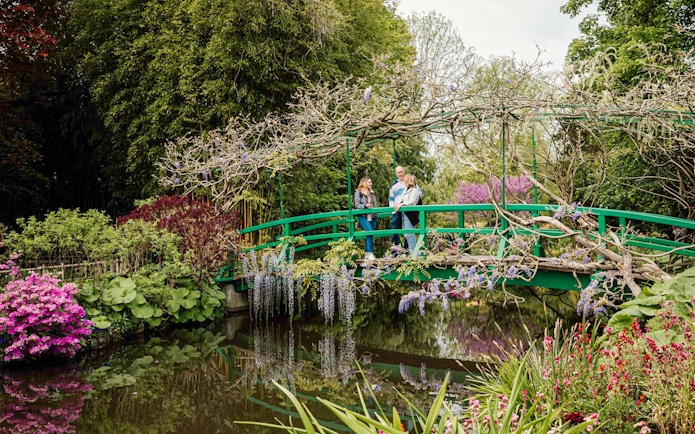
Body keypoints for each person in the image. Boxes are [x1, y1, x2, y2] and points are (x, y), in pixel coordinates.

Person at [394, 174, 422, 256]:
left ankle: (414, 253)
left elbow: (412, 201)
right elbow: (401, 198)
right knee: (406, 233)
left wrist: (403, 204)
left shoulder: (414, 190)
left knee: (410, 233)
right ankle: (412, 252)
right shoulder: (406, 189)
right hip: (404, 213)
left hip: (410, 214)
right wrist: (398, 204)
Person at [353, 176, 378, 260]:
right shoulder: (358, 193)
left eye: (371, 182)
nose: (371, 184)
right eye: (369, 182)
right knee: (370, 232)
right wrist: (364, 206)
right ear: (364, 183)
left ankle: (368, 253)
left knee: (369, 234)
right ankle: (370, 253)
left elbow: (375, 205)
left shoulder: (372, 193)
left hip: (373, 216)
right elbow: (356, 205)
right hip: (363, 216)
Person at [388, 166, 408, 248]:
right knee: (394, 229)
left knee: (407, 228)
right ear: (396, 174)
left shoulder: (408, 182)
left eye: (401, 171)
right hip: (397, 209)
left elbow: (419, 192)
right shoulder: (394, 185)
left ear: (404, 172)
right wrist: (393, 209)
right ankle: (395, 250)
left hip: (407, 209)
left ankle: (407, 249)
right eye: (398, 172)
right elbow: (391, 198)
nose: (400, 174)